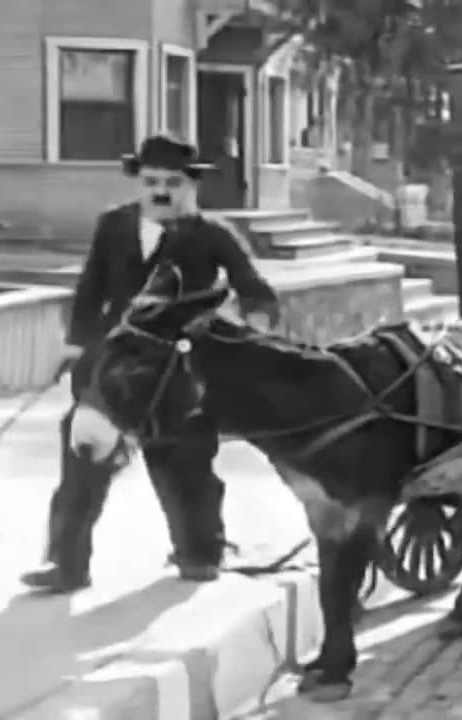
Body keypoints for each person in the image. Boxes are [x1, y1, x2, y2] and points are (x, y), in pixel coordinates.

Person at [19, 134, 281, 593]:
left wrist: (249, 338)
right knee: (83, 460)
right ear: (139, 181)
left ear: (191, 185)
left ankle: (199, 552)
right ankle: (67, 564)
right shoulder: (114, 226)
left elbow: (257, 293)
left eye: (173, 182)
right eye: (151, 181)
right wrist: (77, 346)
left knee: (185, 465)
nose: (161, 191)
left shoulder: (212, 235)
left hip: (178, 371)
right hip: (112, 369)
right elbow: (90, 290)